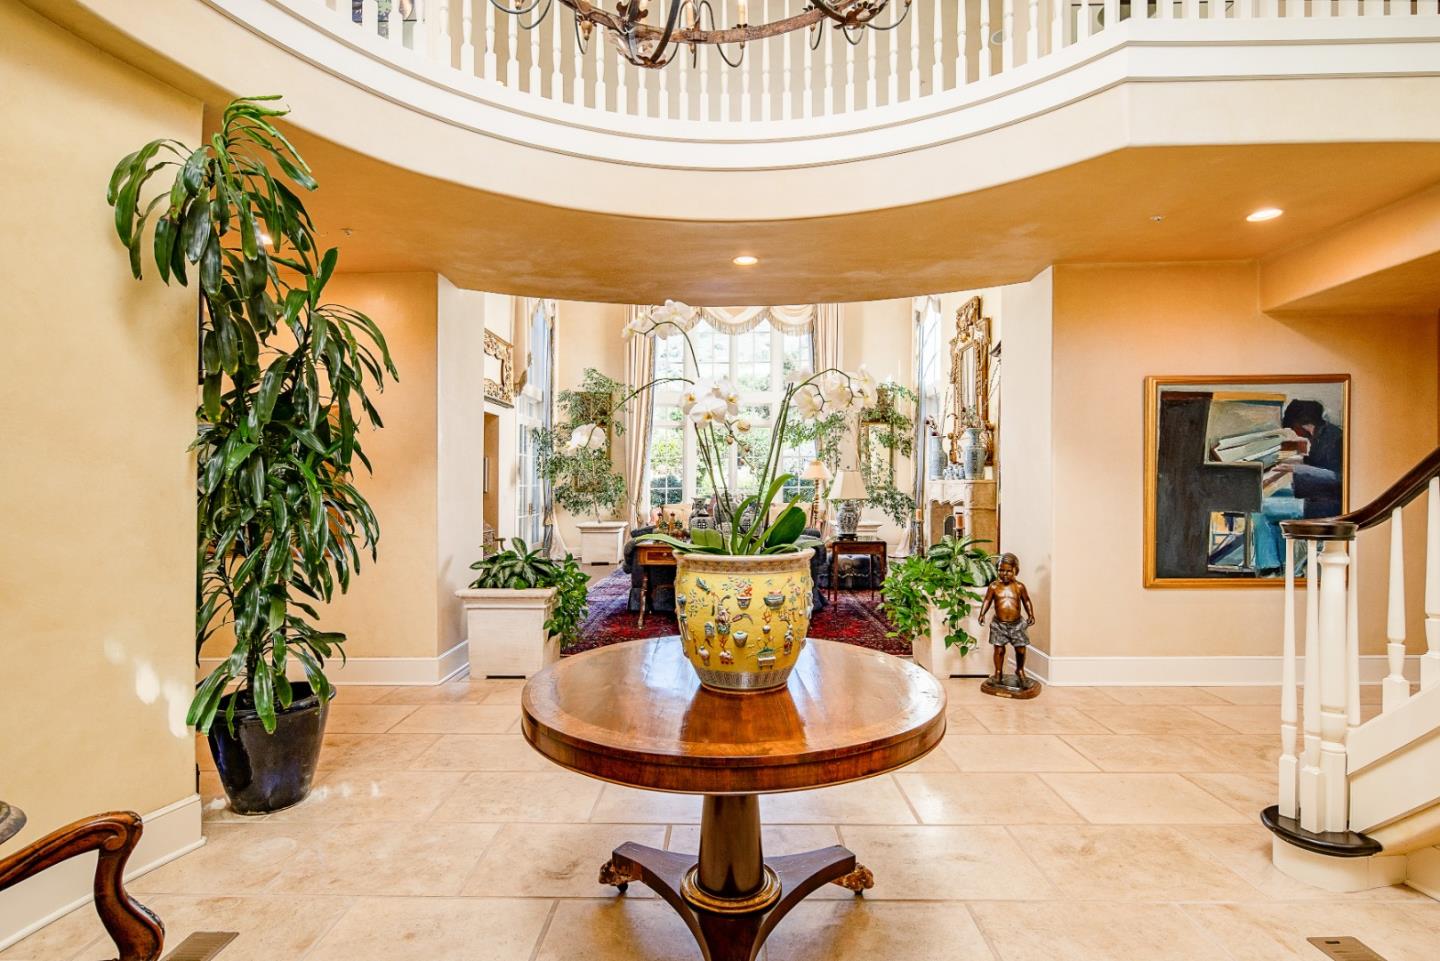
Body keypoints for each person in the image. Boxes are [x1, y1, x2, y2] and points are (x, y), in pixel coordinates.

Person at [1276, 399, 1343, 519]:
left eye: (1293, 429)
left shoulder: (1335, 438)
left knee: (1265, 511)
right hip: (1320, 498)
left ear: (1300, 424)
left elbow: (1338, 479)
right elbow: (1320, 462)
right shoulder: (1323, 433)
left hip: (1328, 506)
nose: (1295, 434)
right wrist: (1301, 461)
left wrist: (1297, 469)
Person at [978, 553, 1035, 685]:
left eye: (1008, 571)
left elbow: (1026, 601)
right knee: (999, 649)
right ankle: (998, 672)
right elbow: (987, 600)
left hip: (1017, 624)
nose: (1004, 573)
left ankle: (1020, 670)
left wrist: (1031, 614)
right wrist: (982, 614)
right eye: (1001, 570)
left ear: (1016, 570)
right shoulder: (993, 586)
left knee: (1020, 649)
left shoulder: (1019, 587)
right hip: (999, 624)